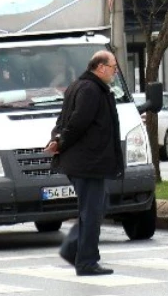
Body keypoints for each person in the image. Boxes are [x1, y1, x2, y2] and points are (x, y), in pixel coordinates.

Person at [46, 51, 123, 277]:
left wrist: (57, 138)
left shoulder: (79, 86)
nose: (115, 72)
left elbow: (63, 121)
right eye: (113, 67)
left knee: (98, 206)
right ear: (100, 67)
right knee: (92, 212)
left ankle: (74, 250)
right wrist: (60, 141)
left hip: (86, 162)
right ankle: (86, 261)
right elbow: (77, 122)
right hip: (88, 162)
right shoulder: (90, 90)